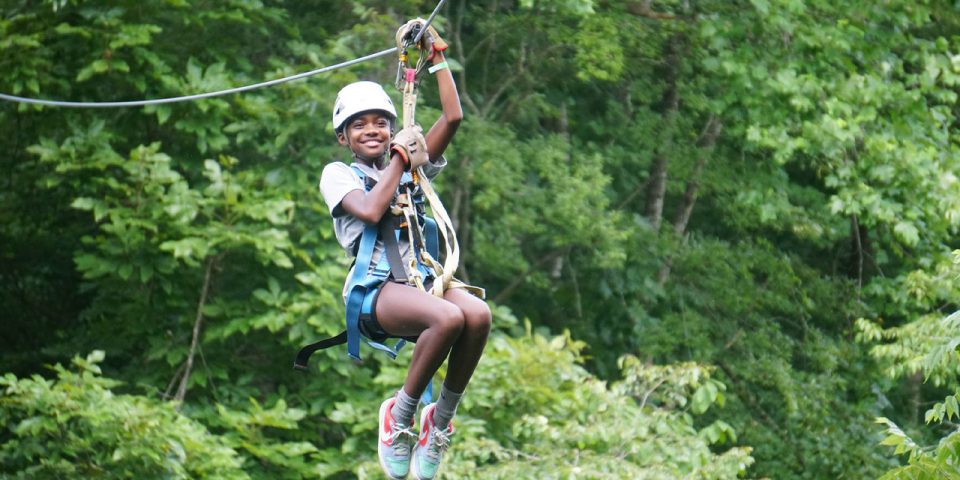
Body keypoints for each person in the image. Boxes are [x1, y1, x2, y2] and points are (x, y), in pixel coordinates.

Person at [318, 21, 491, 480]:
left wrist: (435, 59)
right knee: (449, 318)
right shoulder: (339, 174)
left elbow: (452, 118)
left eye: (380, 123)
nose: (372, 131)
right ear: (343, 137)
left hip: (421, 281)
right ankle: (401, 416)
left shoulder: (409, 165)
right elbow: (373, 211)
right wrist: (400, 156)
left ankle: (440, 421)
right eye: (360, 126)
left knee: (476, 315)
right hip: (376, 290)